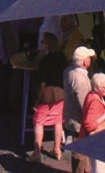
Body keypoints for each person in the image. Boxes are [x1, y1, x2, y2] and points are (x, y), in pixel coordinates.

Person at [31, 32, 67, 163]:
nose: (41, 44)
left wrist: (36, 101)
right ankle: (57, 149)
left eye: (43, 42)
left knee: (38, 122)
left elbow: (42, 83)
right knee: (58, 121)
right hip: (60, 94)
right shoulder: (62, 57)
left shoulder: (45, 61)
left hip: (47, 96)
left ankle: (36, 153)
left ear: (48, 45)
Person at [78, 72, 105, 173]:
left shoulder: (92, 95)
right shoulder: (95, 102)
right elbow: (89, 125)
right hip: (97, 141)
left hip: (95, 140)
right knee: (100, 169)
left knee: (97, 168)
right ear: (97, 88)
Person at [63, 45, 95, 142]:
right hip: (79, 124)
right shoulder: (80, 80)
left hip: (71, 118)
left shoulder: (68, 71)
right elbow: (84, 103)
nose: (90, 60)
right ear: (85, 61)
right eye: (89, 58)